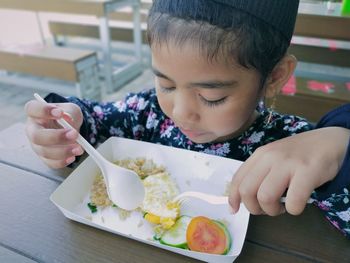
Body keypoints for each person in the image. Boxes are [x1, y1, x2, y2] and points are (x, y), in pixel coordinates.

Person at [24, 0, 349, 238]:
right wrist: (68, 124)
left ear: (275, 77)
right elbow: (99, 124)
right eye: (165, 84)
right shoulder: (148, 113)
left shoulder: (292, 149)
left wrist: (339, 151)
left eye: (211, 97)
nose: (179, 112)